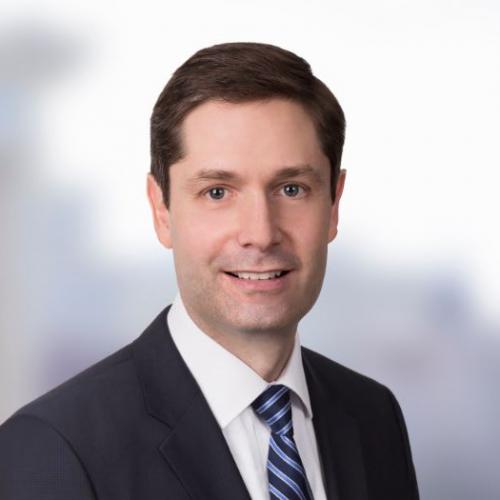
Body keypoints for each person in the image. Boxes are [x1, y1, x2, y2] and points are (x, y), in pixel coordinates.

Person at [0, 42, 419, 499]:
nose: (260, 233)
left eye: (292, 189)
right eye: (218, 192)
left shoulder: (372, 417)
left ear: (334, 206)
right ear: (161, 210)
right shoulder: (53, 450)